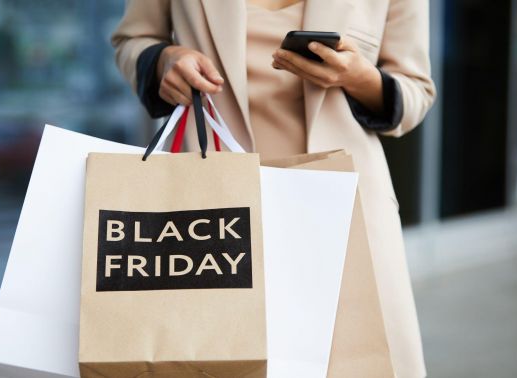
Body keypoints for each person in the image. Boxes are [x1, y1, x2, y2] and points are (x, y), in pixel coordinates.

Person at [112, 0, 435, 376]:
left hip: (344, 209)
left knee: (354, 362)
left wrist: (358, 77)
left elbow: (416, 90)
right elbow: (132, 40)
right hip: (210, 212)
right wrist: (165, 59)